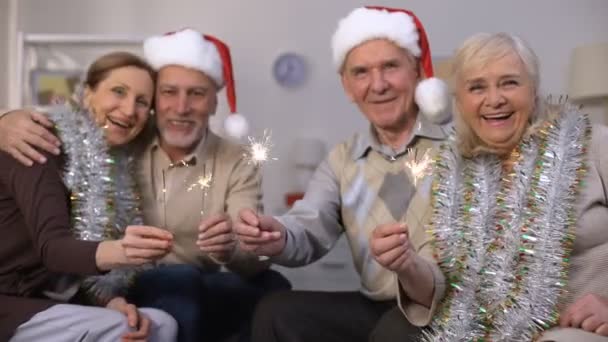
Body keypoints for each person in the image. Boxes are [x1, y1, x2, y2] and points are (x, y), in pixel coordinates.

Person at [0, 29, 290, 342]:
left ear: (214, 101)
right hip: (131, 276)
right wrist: (4, 119)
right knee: (180, 285)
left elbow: (250, 254)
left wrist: (232, 246)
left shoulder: (235, 160)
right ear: (157, 102)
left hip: (197, 273)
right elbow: (58, 129)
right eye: (169, 93)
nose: (181, 107)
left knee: (272, 288)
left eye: (196, 93)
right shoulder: (122, 138)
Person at [234, 6, 450, 342]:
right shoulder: (342, 159)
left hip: (444, 309)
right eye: (361, 72)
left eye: (390, 66)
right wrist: (278, 234)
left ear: (418, 72)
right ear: (347, 86)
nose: (377, 85)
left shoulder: (458, 146)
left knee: (394, 330)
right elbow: (308, 226)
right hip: (373, 304)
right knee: (276, 312)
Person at [375, 32, 608, 341]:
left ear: (534, 89)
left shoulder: (594, 144)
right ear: (459, 100)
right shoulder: (450, 170)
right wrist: (406, 265)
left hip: (577, 330)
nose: (494, 99)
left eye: (510, 82)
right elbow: (439, 284)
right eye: (477, 87)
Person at [1, 51, 177, 341]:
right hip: (8, 302)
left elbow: (66, 276)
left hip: (36, 300)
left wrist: (110, 302)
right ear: (86, 94)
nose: (130, 109)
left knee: (158, 324)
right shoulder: (38, 141)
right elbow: (54, 249)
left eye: (142, 102)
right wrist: (123, 251)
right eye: (118, 91)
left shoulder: (110, 170)